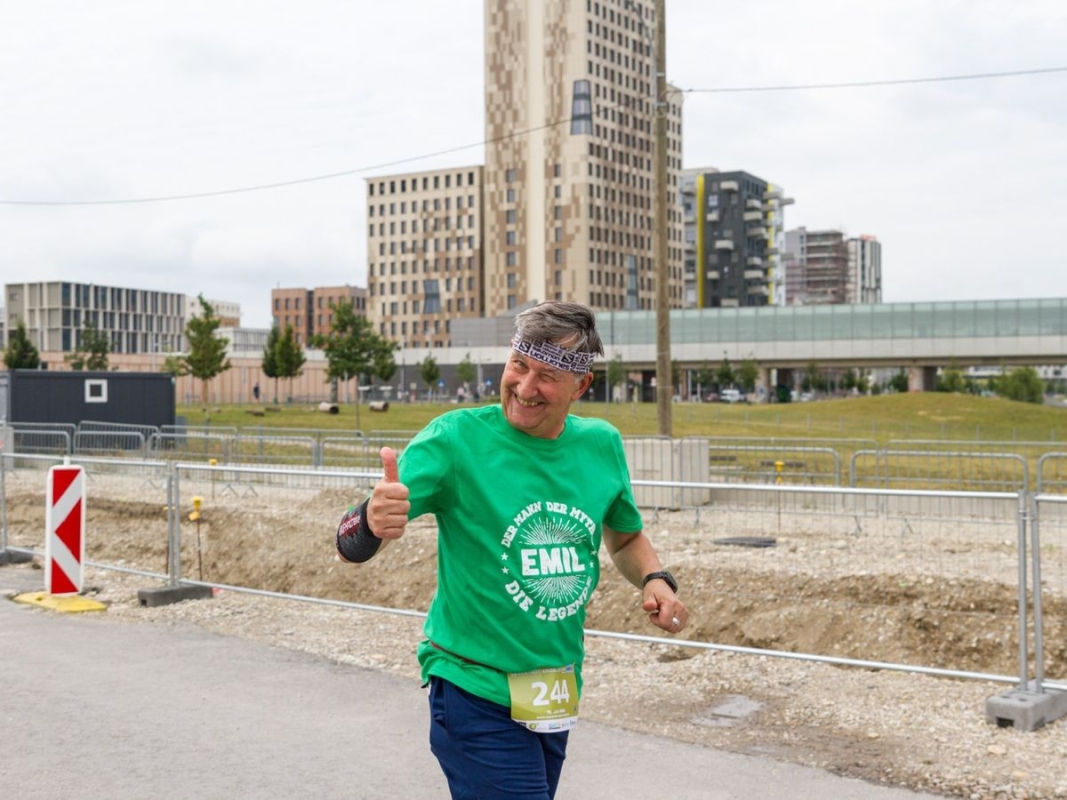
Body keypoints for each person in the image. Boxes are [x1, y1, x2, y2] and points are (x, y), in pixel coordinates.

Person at [335, 301, 687, 799]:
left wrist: (655, 578)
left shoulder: (601, 445)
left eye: (546, 376)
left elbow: (625, 536)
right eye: (519, 366)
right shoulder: (457, 440)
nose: (524, 388)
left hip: (554, 689)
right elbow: (348, 543)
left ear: (580, 386)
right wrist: (370, 521)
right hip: (472, 685)